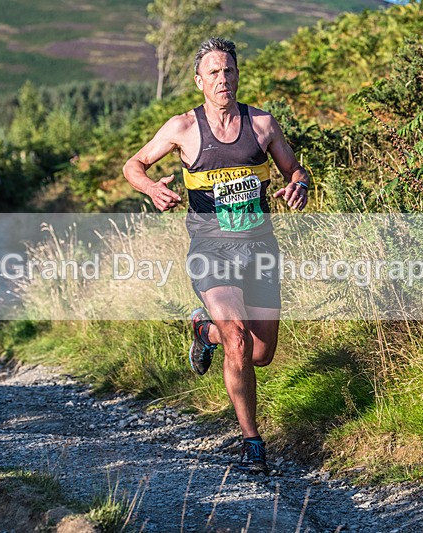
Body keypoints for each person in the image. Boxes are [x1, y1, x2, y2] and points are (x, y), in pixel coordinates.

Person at [123, 37, 310, 474]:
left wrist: (299, 184)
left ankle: (202, 332)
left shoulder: (261, 124)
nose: (223, 79)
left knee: (260, 352)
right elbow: (134, 164)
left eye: (229, 71)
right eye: (214, 72)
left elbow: (294, 169)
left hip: (260, 248)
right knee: (239, 338)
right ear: (199, 81)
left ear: (237, 75)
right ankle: (252, 442)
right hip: (210, 250)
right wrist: (152, 188)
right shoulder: (183, 128)